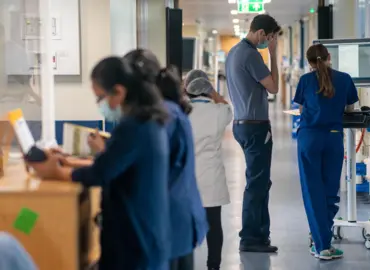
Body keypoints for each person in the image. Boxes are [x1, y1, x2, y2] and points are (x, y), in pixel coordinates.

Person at [28, 56, 172, 270]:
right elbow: (113, 163)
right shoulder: (148, 121)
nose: (100, 105)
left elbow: (100, 173)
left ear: (119, 92)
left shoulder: (134, 127)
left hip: (136, 242)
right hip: (145, 236)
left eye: (100, 98)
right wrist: (67, 163)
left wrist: (55, 173)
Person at [123, 49, 209, 270]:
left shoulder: (163, 117)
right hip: (180, 216)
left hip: (170, 219)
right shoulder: (171, 110)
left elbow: (147, 162)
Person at [294, 44, 359, 260]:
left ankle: (322, 245)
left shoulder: (305, 81)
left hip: (309, 139)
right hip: (333, 138)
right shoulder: (345, 79)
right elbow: (350, 110)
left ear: (309, 62)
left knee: (313, 192)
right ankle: (324, 242)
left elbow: (302, 110)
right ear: (329, 57)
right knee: (330, 193)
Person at [225, 14, 281, 253]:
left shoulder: (234, 53)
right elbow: (274, 87)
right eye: (269, 38)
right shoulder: (251, 55)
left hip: (241, 123)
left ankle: (260, 234)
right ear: (261, 34)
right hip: (255, 126)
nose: (269, 42)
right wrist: (273, 54)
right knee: (257, 184)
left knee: (259, 181)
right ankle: (250, 238)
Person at [186, 75, 232, 270]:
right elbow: (227, 107)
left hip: (188, 178)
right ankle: (213, 265)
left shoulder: (182, 113)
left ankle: (184, 263)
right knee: (214, 225)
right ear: (209, 91)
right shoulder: (219, 111)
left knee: (186, 226)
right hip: (211, 176)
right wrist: (216, 95)